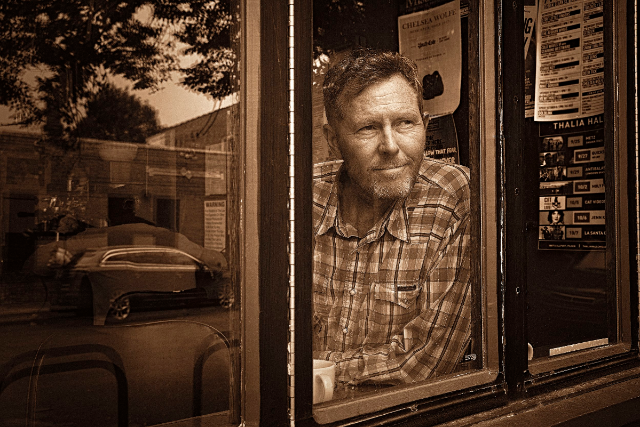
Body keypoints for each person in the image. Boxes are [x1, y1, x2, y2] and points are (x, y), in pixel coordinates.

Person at [313, 49, 472, 385]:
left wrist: (314, 369)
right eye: (367, 128)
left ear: (425, 125)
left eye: (405, 123)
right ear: (333, 141)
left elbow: (423, 362)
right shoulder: (301, 200)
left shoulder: (454, 198)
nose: (390, 145)